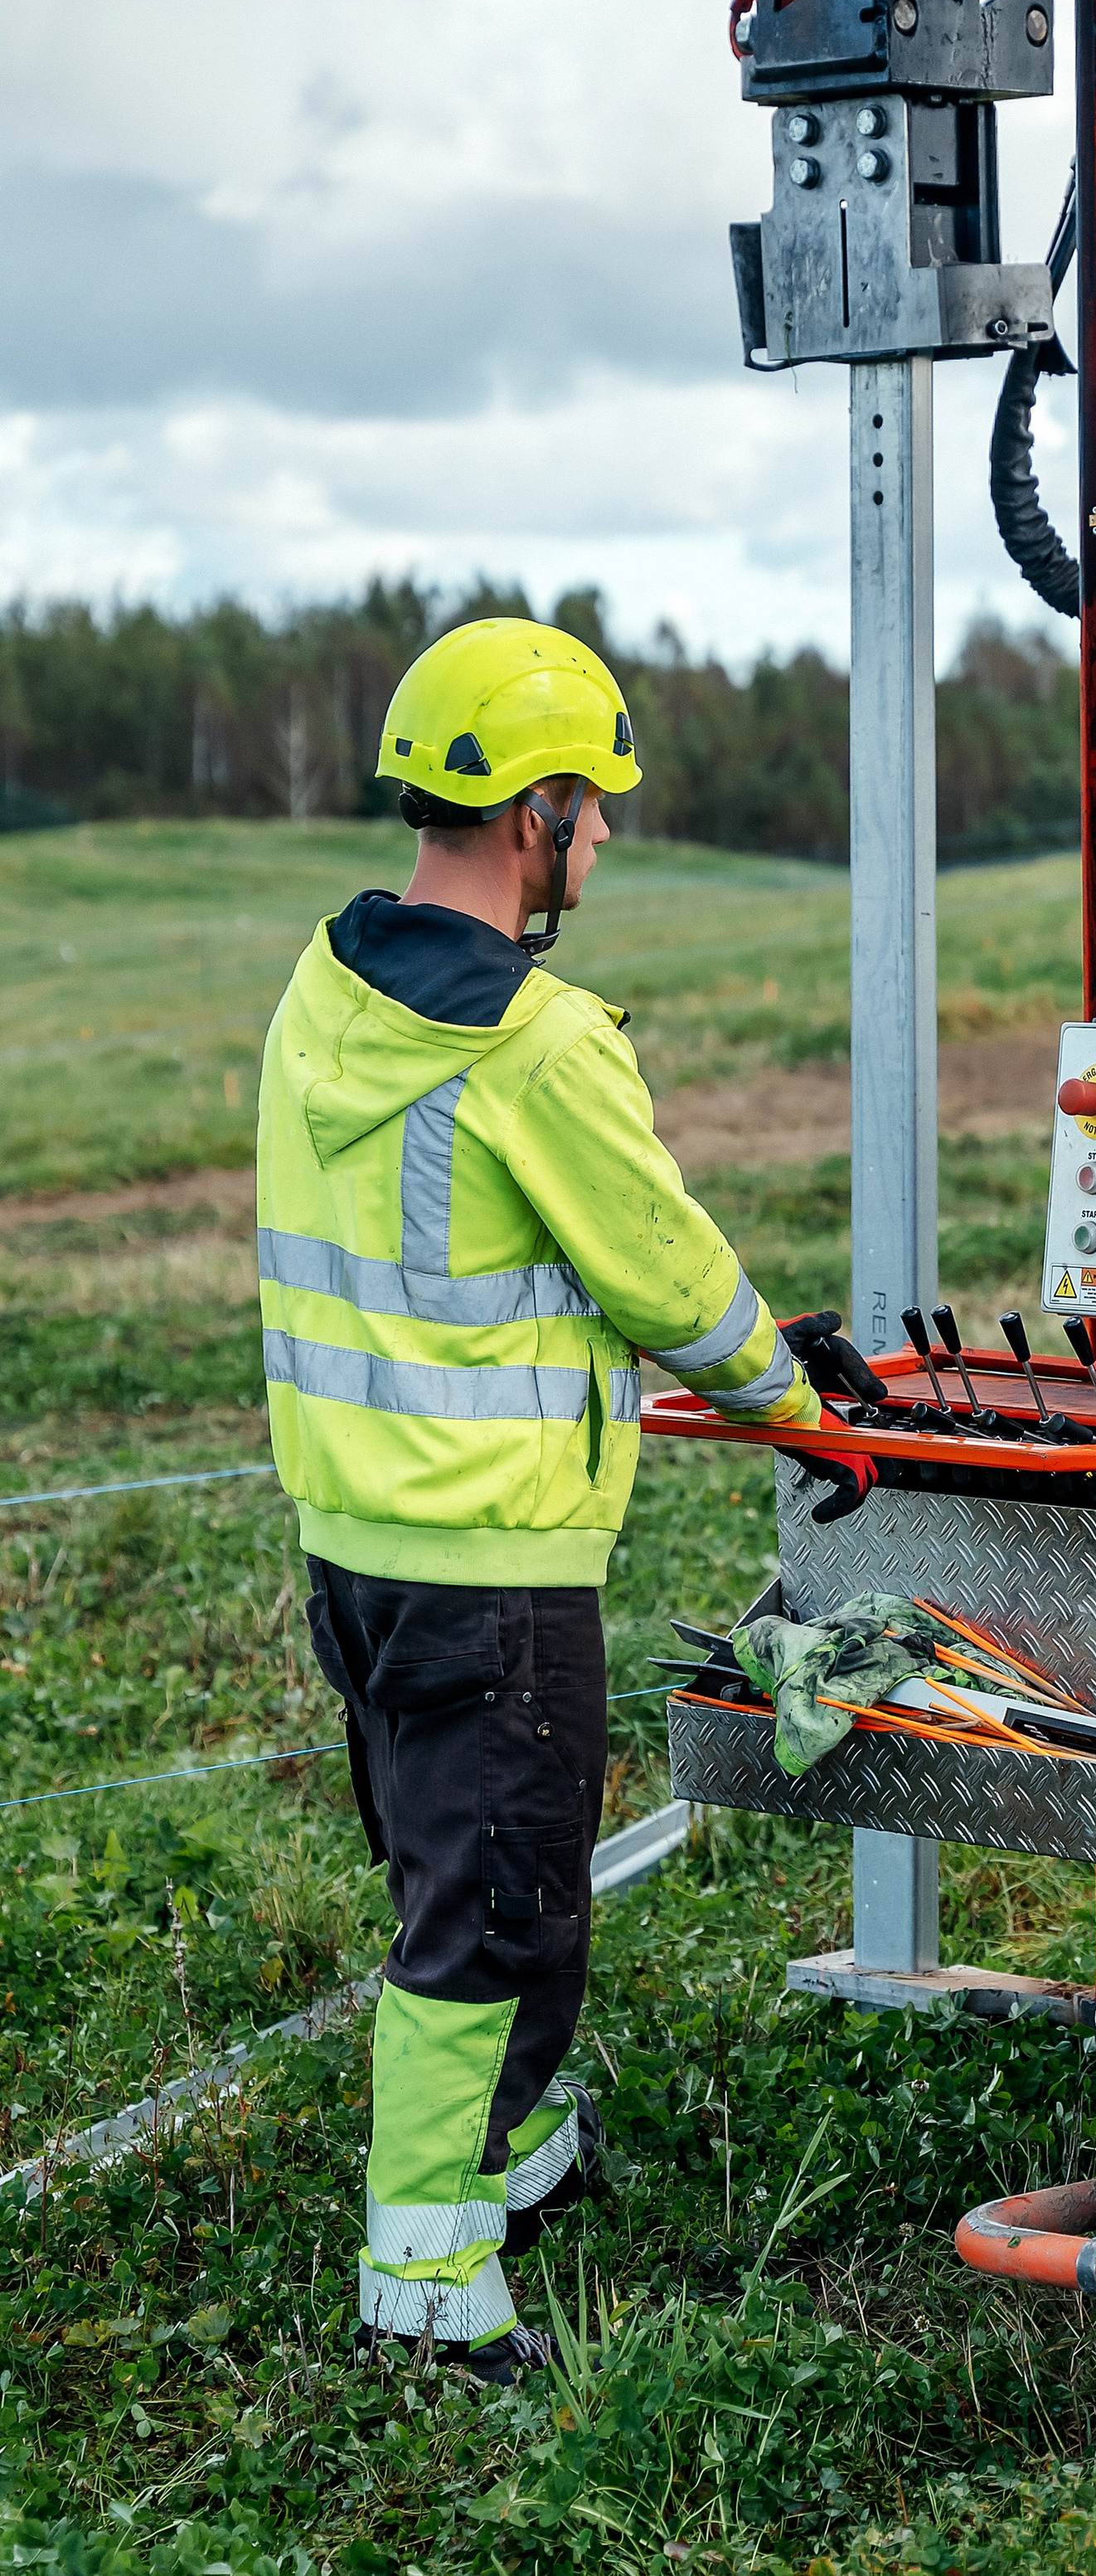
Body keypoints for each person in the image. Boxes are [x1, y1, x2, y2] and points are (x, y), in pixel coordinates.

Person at [255, 617, 866, 2379]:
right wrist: (793, 1399)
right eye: (591, 810)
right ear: (534, 809)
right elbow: (666, 1275)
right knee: (499, 1902)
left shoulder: (327, 981)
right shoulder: (533, 1041)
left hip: (356, 1541)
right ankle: (430, 2285)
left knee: (456, 1866)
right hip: (487, 1560)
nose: (598, 839)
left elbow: (481, 1267)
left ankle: (517, 2153)